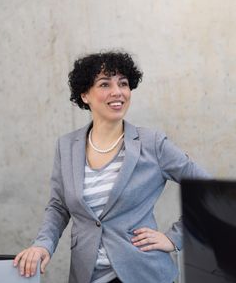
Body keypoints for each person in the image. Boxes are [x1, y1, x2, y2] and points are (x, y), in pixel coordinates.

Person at [14, 51, 209, 283]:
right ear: (84, 94)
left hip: (144, 274)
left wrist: (175, 238)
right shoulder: (66, 146)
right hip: (86, 276)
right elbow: (58, 207)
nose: (117, 92)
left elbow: (209, 191)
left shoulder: (153, 144)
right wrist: (42, 245)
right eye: (105, 84)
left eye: (123, 83)